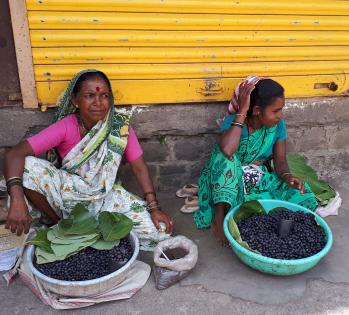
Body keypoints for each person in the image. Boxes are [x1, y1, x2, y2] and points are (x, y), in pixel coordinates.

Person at [4, 69, 174, 250]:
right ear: (75, 100)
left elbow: (139, 168)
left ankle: (86, 232)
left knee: (160, 232)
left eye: (104, 95)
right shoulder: (67, 126)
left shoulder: (119, 128)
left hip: (105, 198)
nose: (98, 103)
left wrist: (154, 208)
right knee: (28, 166)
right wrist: (17, 199)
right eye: (90, 95)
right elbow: (14, 154)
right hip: (67, 194)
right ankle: (60, 226)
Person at [193, 77, 318, 246]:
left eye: (281, 110)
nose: (280, 115)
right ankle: (219, 217)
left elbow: (280, 160)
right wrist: (243, 111)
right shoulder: (234, 123)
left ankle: (243, 207)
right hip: (227, 179)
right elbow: (228, 150)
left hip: (254, 177)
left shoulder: (278, 126)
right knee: (226, 158)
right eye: (275, 111)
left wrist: (288, 176)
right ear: (257, 110)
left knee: (303, 194)